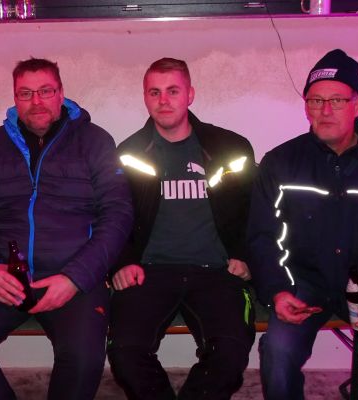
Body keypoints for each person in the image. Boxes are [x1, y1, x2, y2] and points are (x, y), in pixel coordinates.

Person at [0, 58, 133, 400]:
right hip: (3, 274)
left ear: (61, 94)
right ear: (15, 98)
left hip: (73, 275)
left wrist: (75, 277)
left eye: (45, 91)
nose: (36, 101)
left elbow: (118, 215)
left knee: (83, 361)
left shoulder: (95, 141)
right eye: (25, 93)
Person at [247, 49, 358, 400]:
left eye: (337, 100)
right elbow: (262, 236)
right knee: (277, 353)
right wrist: (278, 291)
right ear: (306, 107)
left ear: (357, 105)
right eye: (315, 100)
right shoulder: (280, 163)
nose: (325, 110)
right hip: (304, 283)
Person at [107, 58, 256, 400]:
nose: (163, 100)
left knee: (230, 353)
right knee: (125, 353)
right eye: (154, 92)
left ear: (190, 94)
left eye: (173, 91)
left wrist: (246, 257)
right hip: (149, 272)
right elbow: (113, 216)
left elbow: (254, 211)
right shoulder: (128, 153)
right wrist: (122, 262)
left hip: (217, 271)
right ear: (145, 97)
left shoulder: (231, 148)